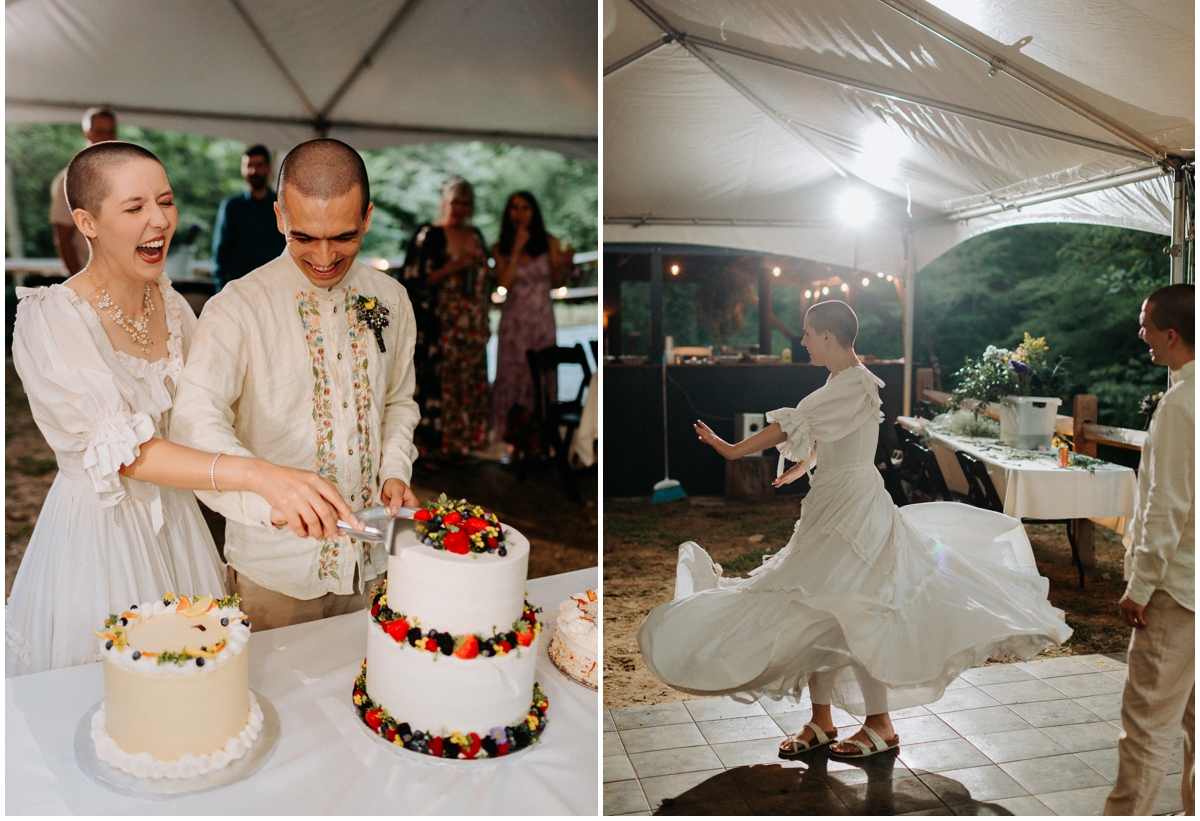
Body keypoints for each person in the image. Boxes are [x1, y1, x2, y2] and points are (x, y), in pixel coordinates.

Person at [639, 300, 1072, 758]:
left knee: (858, 605)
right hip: (832, 505)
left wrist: (729, 449)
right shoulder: (848, 382)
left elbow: (793, 426)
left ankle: (880, 726)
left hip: (854, 512)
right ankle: (821, 721)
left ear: (828, 336)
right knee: (814, 605)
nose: (801, 341)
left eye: (807, 333)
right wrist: (804, 465)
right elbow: (837, 437)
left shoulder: (845, 387)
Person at [6, 141, 358, 676]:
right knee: (111, 695)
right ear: (87, 221)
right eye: (134, 207)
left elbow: (209, 417)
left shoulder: (173, 305)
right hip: (98, 537)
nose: (159, 220)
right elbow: (125, 454)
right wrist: (257, 475)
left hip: (177, 526)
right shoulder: (50, 318)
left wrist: (282, 485)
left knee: (190, 695)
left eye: (165, 201)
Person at [173, 138, 421, 632]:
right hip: (274, 573)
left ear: (367, 217)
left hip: (376, 562)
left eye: (344, 237)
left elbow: (397, 400)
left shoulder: (390, 299)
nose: (325, 257)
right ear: (280, 217)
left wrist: (395, 469)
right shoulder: (235, 309)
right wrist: (271, 498)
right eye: (304, 237)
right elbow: (194, 426)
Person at [1104, 284, 1194, 816]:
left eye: (1146, 325)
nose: (1142, 335)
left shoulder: (1182, 403)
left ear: (1171, 334)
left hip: (1175, 587)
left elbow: (1168, 505)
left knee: (1146, 727)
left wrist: (1140, 586)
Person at [400, 176, 490, 466]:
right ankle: (433, 449)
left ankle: (463, 444)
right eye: (455, 202)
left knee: (467, 382)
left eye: (466, 203)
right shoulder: (430, 234)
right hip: (440, 324)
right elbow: (414, 279)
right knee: (439, 384)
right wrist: (455, 267)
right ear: (444, 202)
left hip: (471, 323)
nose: (460, 208)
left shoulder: (475, 235)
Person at [491, 191, 575, 451]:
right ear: (509, 213)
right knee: (513, 379)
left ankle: (539, 441)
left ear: (533, 211)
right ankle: (513, 442)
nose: (520, 213)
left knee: (540, 378)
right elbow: (503, 284)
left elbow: (558, 282)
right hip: (514, 322)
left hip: (541, 320)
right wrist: (515, 248)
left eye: (525, 208)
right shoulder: (500, 246)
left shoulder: (548, 241)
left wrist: (565, 264)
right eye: (514, 208)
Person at [48, 107, 117, 276]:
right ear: (87, 134)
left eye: (111, 131)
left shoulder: (124, 174)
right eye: (100, 131)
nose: (106, 137)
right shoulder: (69, 180)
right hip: (92, 277)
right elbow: (63, 238)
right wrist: (79, 282)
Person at [211, 144, 286, 291]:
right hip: (240, 291)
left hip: (276, 289)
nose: (253, 171)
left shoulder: (282, 205)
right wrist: (222, 293)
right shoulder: (231, 207)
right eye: (248, 165)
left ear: (269, 168)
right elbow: (220, 255)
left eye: (259, 165)